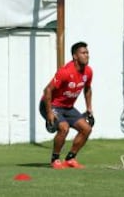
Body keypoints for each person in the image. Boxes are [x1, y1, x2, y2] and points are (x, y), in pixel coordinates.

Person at [40, 41, 93, 169]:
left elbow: (87, 89)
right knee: (64, 128)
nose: (87, 55)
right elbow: (47, 90)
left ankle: (70, 158)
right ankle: (55, 159)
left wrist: (89, 108)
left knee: (86, 129)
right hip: (50, 104)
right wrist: (49, 113)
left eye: (87, 53)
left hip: (67, 108)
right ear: (75, 56)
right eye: (83, 53)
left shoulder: (88, 72)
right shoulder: (65, 72)